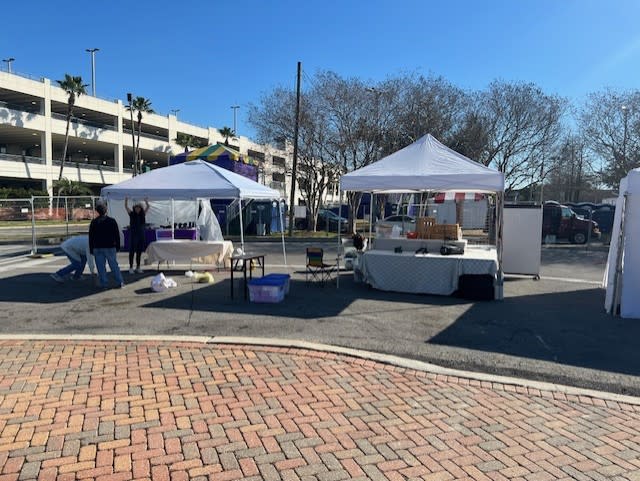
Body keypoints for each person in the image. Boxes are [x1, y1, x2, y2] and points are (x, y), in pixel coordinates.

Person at [89, 203, 124, 289]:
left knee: (101, 267)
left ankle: (104, 283)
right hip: (110, 246)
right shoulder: (112, 221)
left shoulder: (94, 222)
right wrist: (118, 246)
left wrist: (91, 248)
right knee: (114, 265)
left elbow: (91, 236)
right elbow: (117, 234)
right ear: (106, 210)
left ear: (97, 211)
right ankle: (119, 281)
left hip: (97, 246)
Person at [124, 197, 150, 274]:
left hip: (141, 235)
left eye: (138, 208)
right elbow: (126, 207)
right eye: (136, 208)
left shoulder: (143, 214)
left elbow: (148, 207)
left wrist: (146, 201)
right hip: (133, 235)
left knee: (139, 252)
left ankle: (138, 267)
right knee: (132, 251)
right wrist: (126, 200)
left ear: (141, 208)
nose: (137, 209)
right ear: (134, 208)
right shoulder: (131, 214)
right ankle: (131, 267)